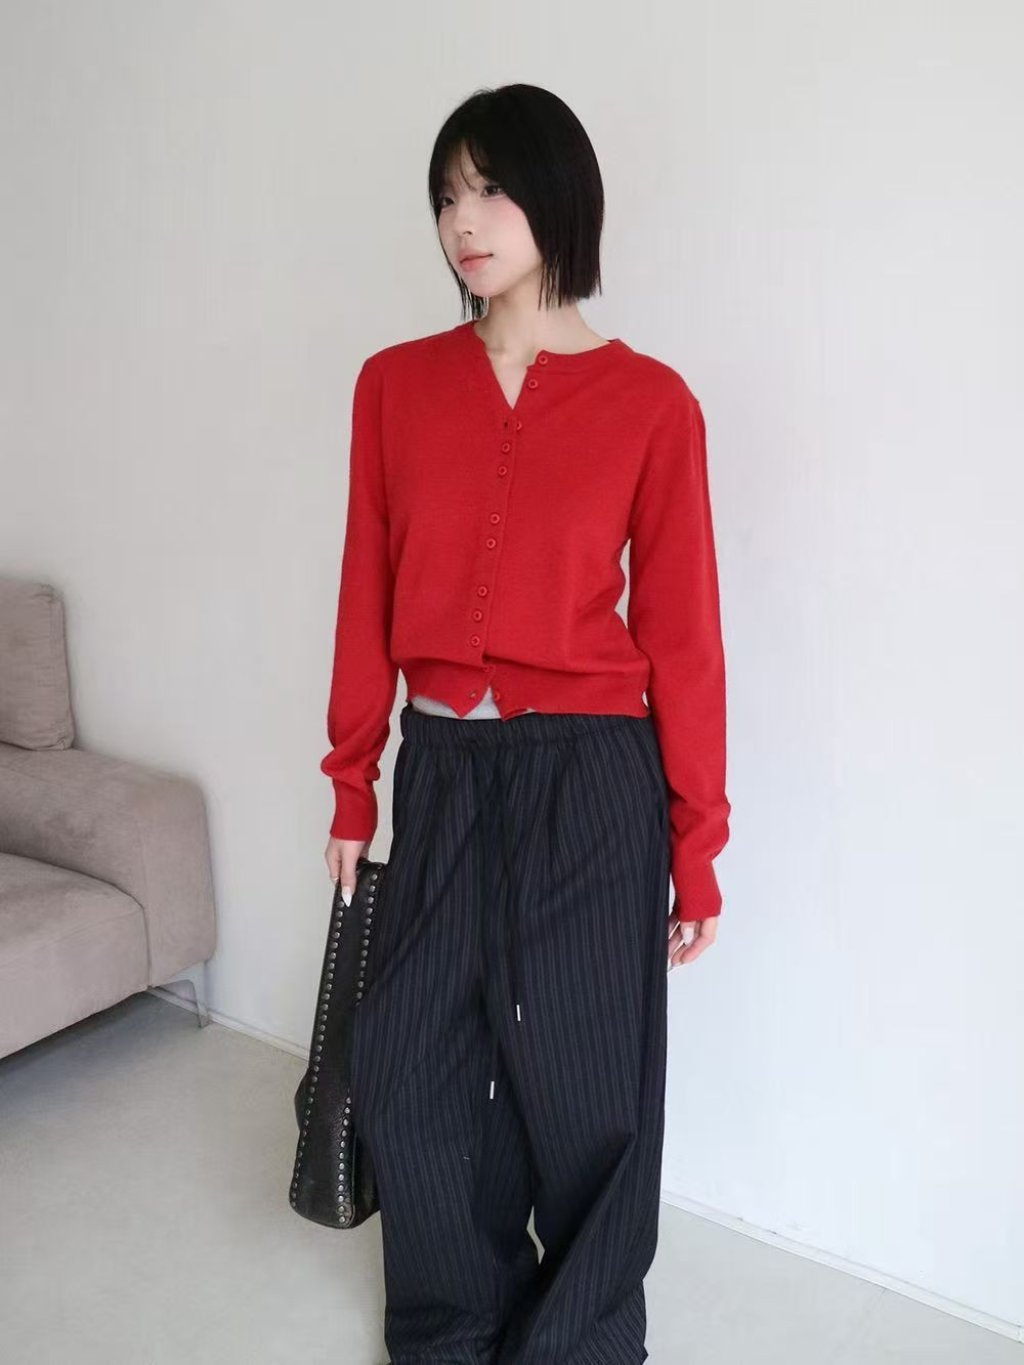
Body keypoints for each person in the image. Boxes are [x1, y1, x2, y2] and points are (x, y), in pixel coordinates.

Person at [320, 82, 730, 1365]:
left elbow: (685, 638)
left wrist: (698, 842)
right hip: (442, 765)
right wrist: (351, 783)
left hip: (591, 776)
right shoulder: (394, 387)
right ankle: (452, 1327)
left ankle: (580, 1341)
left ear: (559, 198)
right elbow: (364, 590)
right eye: (447, 195)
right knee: (415, 1067)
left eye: (491, 190)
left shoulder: (651, 404)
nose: (464, 221)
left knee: (589, 1083)